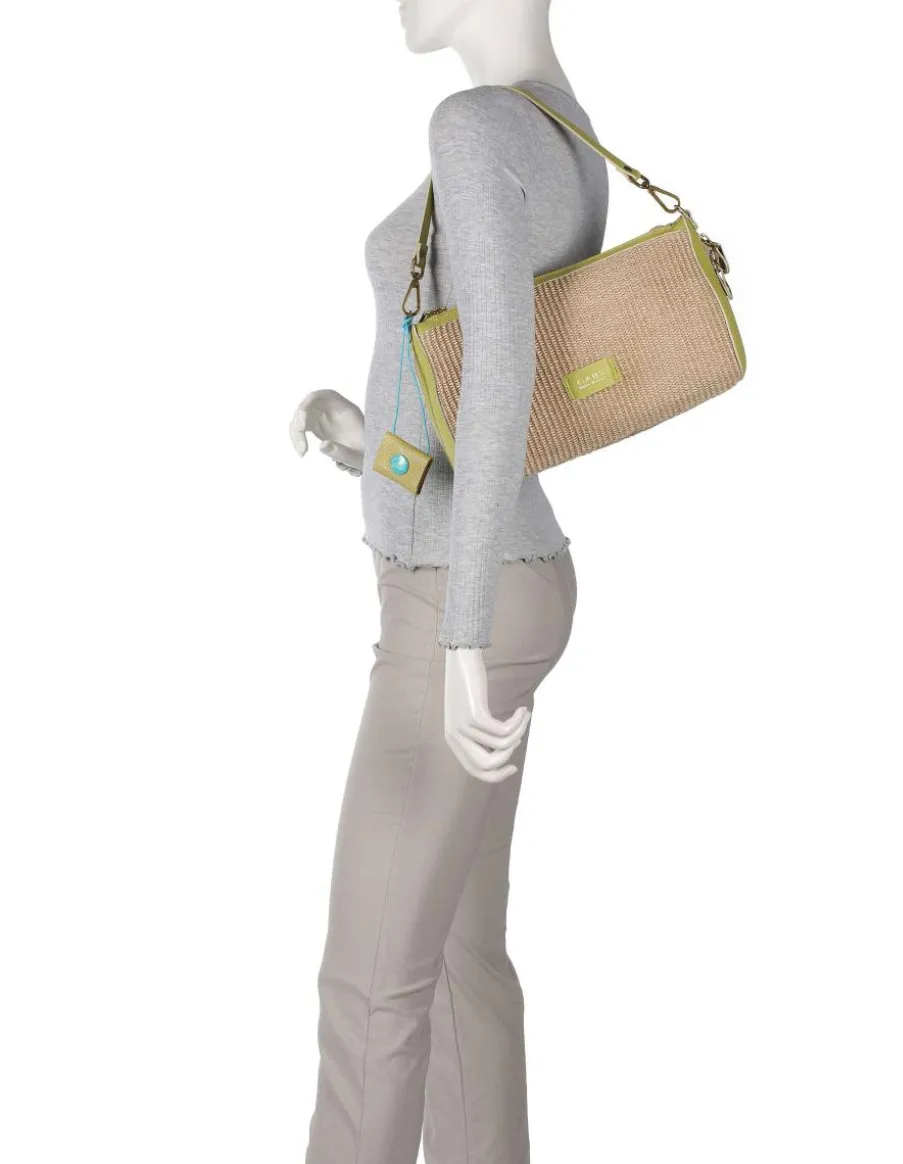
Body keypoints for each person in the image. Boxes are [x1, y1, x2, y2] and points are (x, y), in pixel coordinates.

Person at [290, 2, 609, 1159]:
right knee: (457, 966)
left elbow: (501, 387)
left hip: (453, 604)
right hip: (491, 575)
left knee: (370, 986)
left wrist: (462, 635)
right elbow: (466, 393)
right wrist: (368, 444)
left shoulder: (477, 127)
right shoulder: (555, 127)